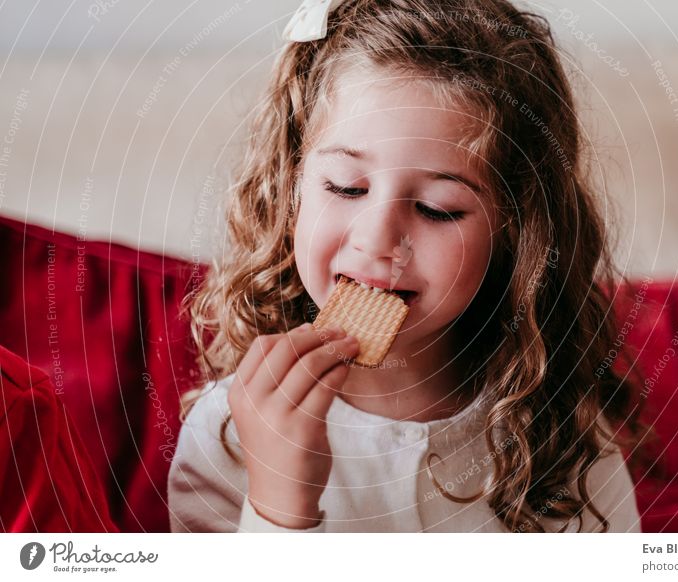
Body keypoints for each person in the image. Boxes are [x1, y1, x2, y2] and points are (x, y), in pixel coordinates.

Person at [168, 0, 646, 533]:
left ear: (516, 228)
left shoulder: (558, 433)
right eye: (346, 187)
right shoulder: (230, 431)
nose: (378, 240)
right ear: (291, 187)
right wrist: (280, 504)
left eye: (436, 208)